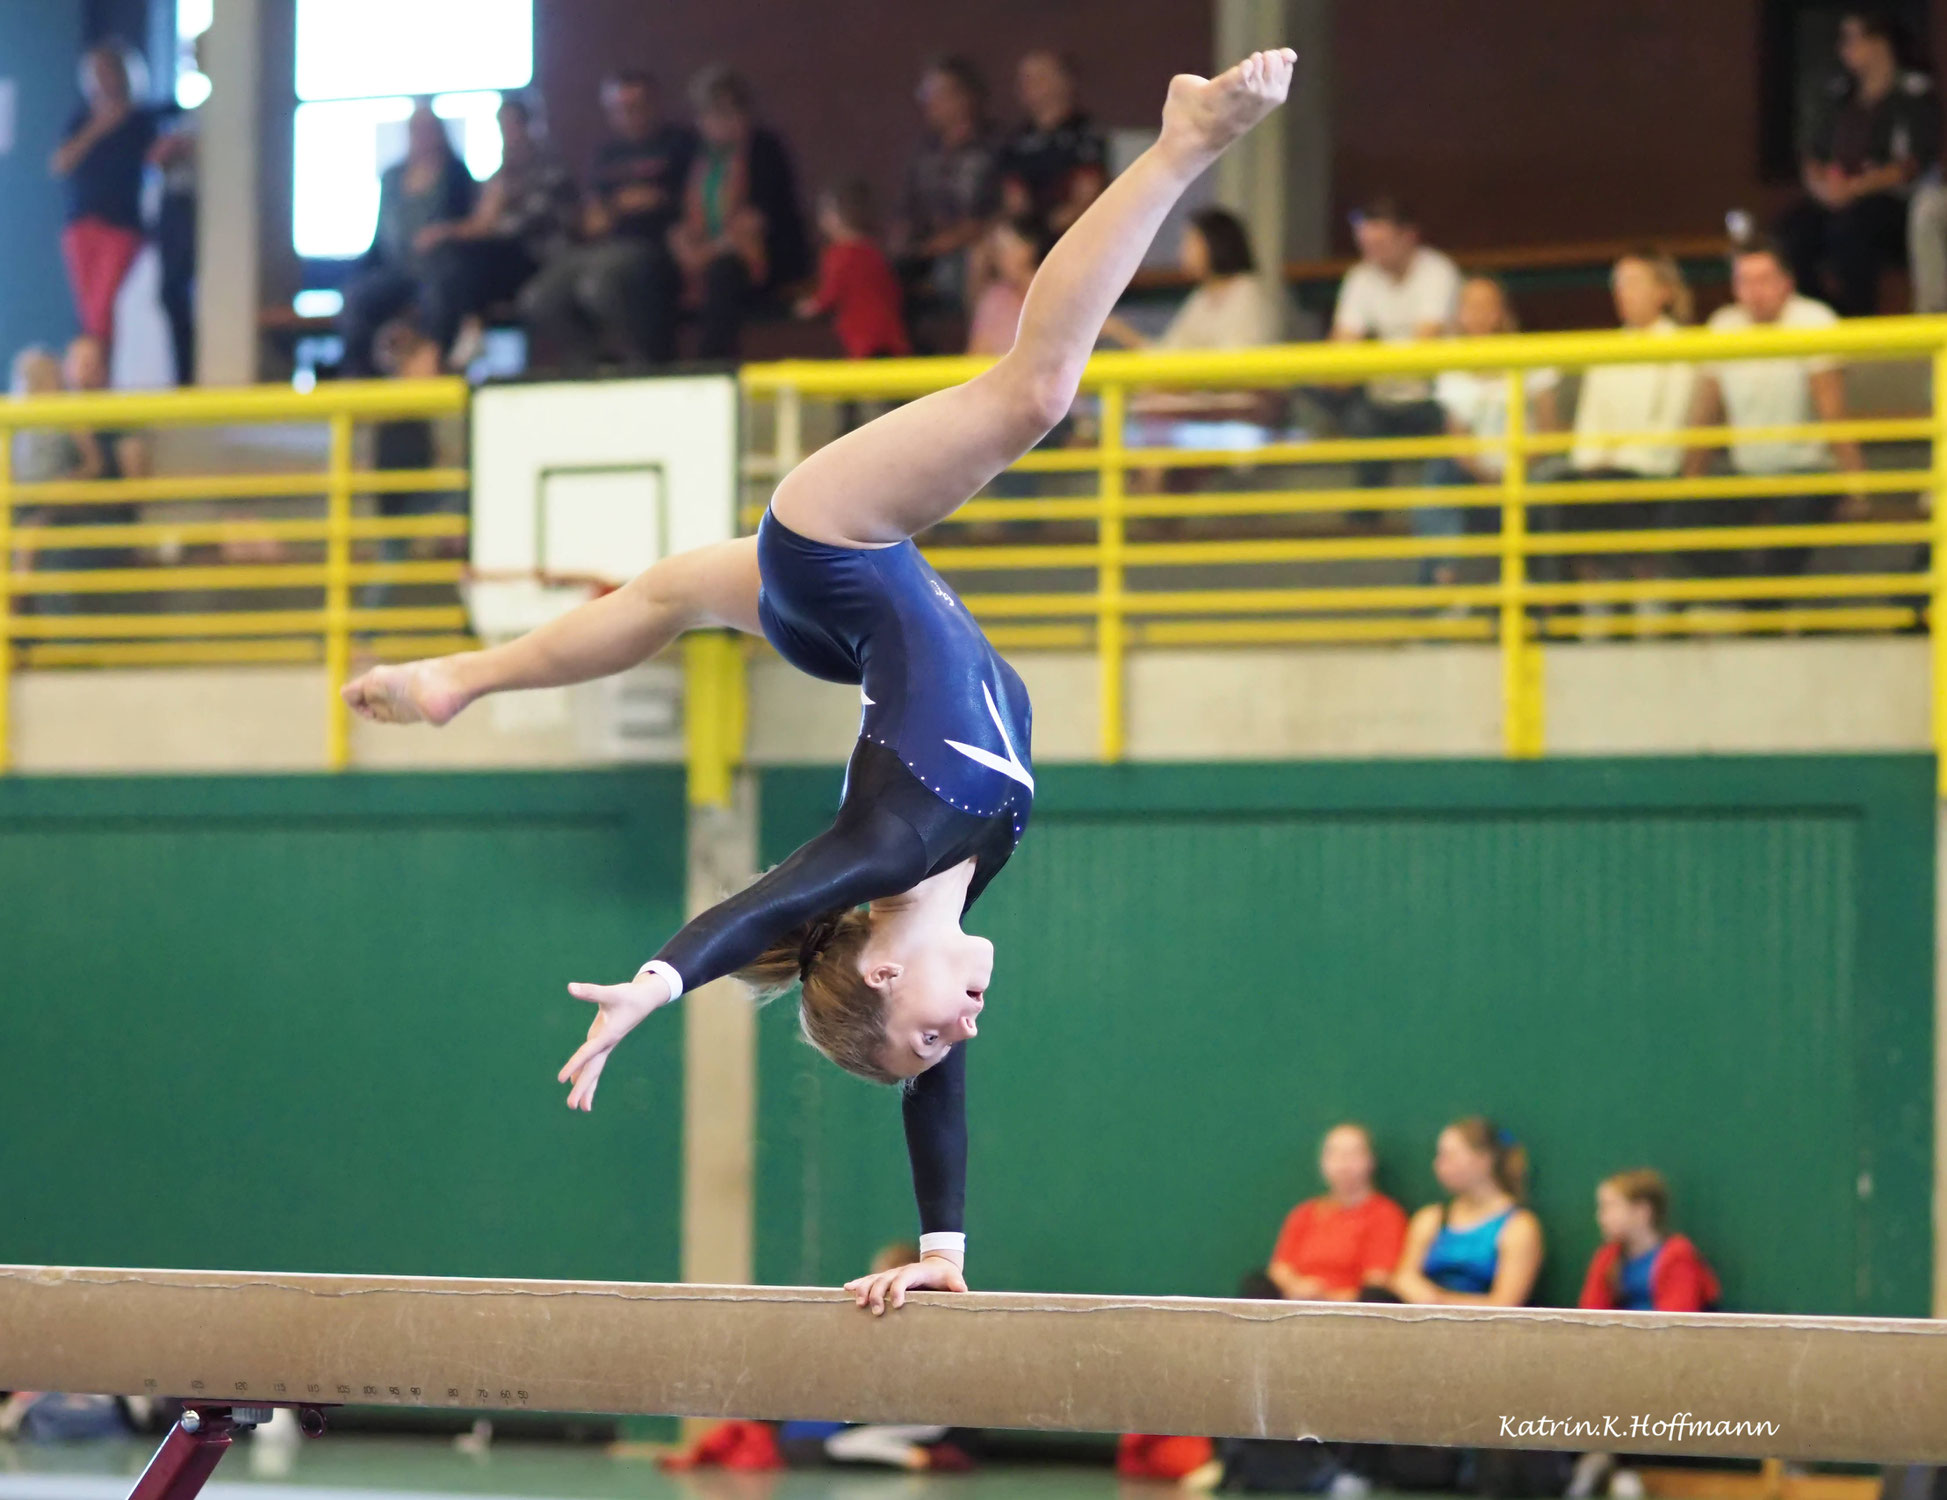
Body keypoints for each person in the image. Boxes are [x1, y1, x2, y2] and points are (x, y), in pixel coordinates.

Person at [340, 50, 1298, 1312]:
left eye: (929, 1032)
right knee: (669, 597)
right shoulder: (960, 881)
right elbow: (934, 1092)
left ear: (889, 974)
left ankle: (1181, 142)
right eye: (944, 1048)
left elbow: (758, 904)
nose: (962, 1039)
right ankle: (466, 676)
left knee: (1034, 392)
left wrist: (658, 983)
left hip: (836, 542)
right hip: (833, 628)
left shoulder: (888, 844)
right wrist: (944, 1258)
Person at [1682, 238, 1864, 588]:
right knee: (1679, 521)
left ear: (1787, 282)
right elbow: (1704, 415)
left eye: (1763, 280)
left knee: (1791, 526)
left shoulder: (1815, 321)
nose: (1754, 292)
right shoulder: (1723, 325)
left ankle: (1758, 610)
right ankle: (1758, 604)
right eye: (1744, 281)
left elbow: (1833, 411)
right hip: (1746, 474)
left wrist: (1857, 486)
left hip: (1808, 473)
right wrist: (1690, 481)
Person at [519, 70, 693, 371]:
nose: (628, 115)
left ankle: (641, 365)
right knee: (537, 297)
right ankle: (592, 366)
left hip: (653, 249)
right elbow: (592, 220)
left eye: (635, 106)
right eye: (619, 109)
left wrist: (629, 205)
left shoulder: (680, 145)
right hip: (602, 248)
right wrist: (623, 204)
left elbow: (678, 202)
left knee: (598, 284)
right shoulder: (606, 154)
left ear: (654, 104)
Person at [1558, 251, 1698, 617]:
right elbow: (1589, 429)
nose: (1623, 293)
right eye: (1617, 284)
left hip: (1653, 471)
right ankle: (1563, 612)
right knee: (1552, 490)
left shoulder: (1683, 347)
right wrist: (1592, 462)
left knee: (1613, 491)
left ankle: (1639, 584)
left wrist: (1615, 463)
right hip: (1605, 471)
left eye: (1634, 282)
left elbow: (1672, 426)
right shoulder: (1608, 350)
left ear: (1663, 292)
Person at [1779, 8, 1937, 317]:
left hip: (1891, 203)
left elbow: (1912, 163)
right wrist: (1823, 188)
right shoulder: (1840, 94)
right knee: (1794, 229)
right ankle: (1823, 314)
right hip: (1837, 197)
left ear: (1880, 43)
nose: (1844, 49)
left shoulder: (1913, 93)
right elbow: (1813, 154)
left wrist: (1856, 189)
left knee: (1851, 230)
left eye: (1853, 39)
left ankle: (1859, 319)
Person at [417, 96, 578, 368]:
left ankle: (455, 339)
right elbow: (483, 222)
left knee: (470, 255)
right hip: (498, 264)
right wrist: (462, 229)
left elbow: (514, 227)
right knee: (451, 260)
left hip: (539, 260)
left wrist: (480, 223)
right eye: (502, 125)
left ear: (529, 126)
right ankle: (451, 340)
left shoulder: (550, 169)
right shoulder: (501, 174)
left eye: (513, 124)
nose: (508, 132)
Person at [1420, 277, 1559, 591]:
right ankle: (1442, 584)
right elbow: (1458, 438)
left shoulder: (1530, 355)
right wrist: (1485, 474)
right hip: (1475, 472)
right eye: (1469, 305)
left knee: (1545, 483)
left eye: (1486, 305)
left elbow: (1549, 430)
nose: (1478, 313)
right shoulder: (1452, 362)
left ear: (1501, 312)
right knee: (1438, 479)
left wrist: (1517, 466)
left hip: (1528, 465)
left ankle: (1534, 586)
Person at [669, 68, 811, 361]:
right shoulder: (693, 157)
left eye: (726, 112)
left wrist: (707, 252)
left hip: (755, 255)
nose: (717, 122)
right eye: (709, 114)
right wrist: (685, 246)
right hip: (700, 254)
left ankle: (712, 365)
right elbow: (679, 218)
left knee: (723, 273)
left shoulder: (764, 151)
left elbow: (755, 221)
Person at [1329, 197, 1461, 489]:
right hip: (1379, 398)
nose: (1371, 253)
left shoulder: (1438, 271)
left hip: (1434, 395)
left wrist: (1366, 361)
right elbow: (1339, 357)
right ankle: (1366, 520)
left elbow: (1423, 350)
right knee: (1349, 412)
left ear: (1409, 236)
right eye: (1366, 245)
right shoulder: (1360, 277)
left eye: (1381, 244)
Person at [337, 101, 476, 377]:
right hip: (395, 270)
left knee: (437, 298)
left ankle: (430, 367)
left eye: (429, 130)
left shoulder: (456, 174)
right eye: (417, 130)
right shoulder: (392, 177)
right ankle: (358, 378)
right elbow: (380, 239)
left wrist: (440, 234)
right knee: (356, 298)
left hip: (439, 271)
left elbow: (467, 224)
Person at [50, 44, 175, 350]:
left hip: (121, 225)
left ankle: (97, 372)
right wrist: (98, 126)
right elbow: (60, 164)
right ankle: (93, 373)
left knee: (102, 310)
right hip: (81, 224)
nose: (102, 80)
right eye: (96, 73)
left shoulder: (140, 121)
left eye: (109, 72)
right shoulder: (81, 120)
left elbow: (159, 158)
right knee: (89, 309)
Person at [1383, 1117, 1543, 1306]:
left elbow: (1505, 1304)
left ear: (1484, 1160)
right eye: (1439, 1156)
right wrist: (1412, 1288)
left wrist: (1439, 1302)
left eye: (1450, 1156)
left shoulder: (1519, 1227)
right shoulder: (1431, 1218)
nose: (1439, 1165)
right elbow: (1404, 1276)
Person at [1261, 1123, 1408, 1302]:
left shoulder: (1385, 1214)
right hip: (1297, 1301)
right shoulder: (1304, 1213)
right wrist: (1298, 1287)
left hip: (1351, 1307)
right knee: (1257, 1284)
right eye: (1334, 1155)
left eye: (1353, 1154)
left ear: (1370, 1161)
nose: (1343, 1164)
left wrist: (1325, 1298)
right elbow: (1280, 1268)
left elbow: (1378, 1279)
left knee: (1375, 1296)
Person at [901, 58, 1003, 315]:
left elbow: (998, 212)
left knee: (960, 269)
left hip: (973, 250)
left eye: (939, 94)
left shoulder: (994, 147)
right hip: (926, 251)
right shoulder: (925, 153)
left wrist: (954, 239)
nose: (930, 103)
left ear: (964, 97)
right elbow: (907, 209)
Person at [998, 51, 1108, 237]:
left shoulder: (1085, 134)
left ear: (1065, 82)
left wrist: (1046, 231)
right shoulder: (1017, 139)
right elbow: (1014, 200)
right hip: (1027, 231)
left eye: (1039, 77)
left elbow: (1087, 199)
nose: (1028, 85)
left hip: (1073, 231)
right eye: (1024, 79)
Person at [797, 182, 911, 361]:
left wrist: (810, 307)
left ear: (834, 217)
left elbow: (830, 293)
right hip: (892, 333)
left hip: (863, 337)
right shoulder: (874, 251)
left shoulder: (837, 254)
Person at [1578, 1169, 1720, 1312]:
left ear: (1642, 1211)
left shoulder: (1678, 1255)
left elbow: (1677, 1322)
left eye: (1611, 1207)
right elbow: (1591, 1315)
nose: (1601, 1217)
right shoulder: (1607, 1257)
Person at [965, 216, 1052, 357]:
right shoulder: (994, 298)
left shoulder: (1057, 291)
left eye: (1007, 247)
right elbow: (976, 354)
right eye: (998, 250)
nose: (1001, 257)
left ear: (1030, 247)